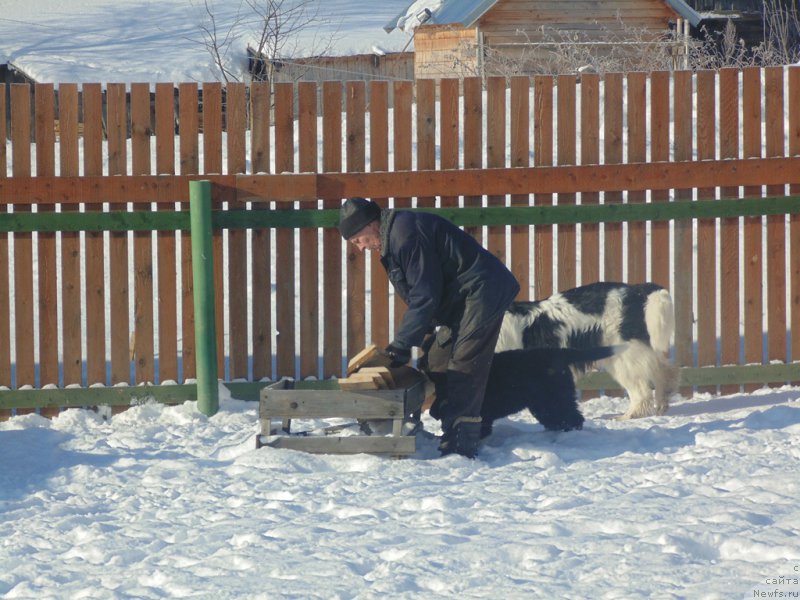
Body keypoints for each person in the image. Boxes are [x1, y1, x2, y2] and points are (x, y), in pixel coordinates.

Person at [338, 197, 520, 458]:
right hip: (459, 299)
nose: (360, 248)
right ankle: (450, 424)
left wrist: (401, 344)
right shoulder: (395, 237)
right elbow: (422, 292)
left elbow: (425, 294)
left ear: (371, 225)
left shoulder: (405, 234)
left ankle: (461, 442)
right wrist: (422, 336)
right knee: (436, 360)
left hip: (482, 291)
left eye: (358, 240)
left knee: (464, 364)